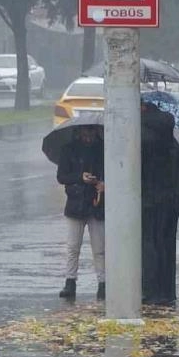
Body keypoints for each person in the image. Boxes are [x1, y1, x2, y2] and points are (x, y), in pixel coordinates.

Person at [141, 103, 179, 306]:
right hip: (171, 203)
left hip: (149, 202)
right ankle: (166, 292)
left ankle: (150, 290)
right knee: (166, 245)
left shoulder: (143, 140)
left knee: (148, 244)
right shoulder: (172, 145)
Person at [56, 126, 106, 300]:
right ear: (78, 133)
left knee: (99, 248)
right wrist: (80, 177)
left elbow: (113, 170)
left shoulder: (104, 149)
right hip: (76, 204)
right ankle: (70, 282)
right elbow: (61, 176)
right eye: (84, 133)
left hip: (97, 203)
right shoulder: (68, 150)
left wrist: (104, 184)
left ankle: (103, 283)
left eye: (91, 133)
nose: (88, 137)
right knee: (72, 247)